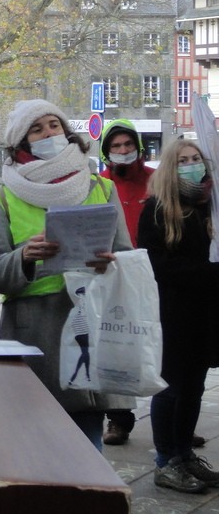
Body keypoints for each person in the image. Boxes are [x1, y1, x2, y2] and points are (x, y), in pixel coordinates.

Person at [0, 98, 131, 450]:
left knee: (86, 449)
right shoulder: (3, 196)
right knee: (33, 449)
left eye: (53, 125)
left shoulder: (101, 187)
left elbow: (127, 256)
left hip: (89, 322)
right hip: (32, 331)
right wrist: (24, 258)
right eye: (37, 129)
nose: (49, 133)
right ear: (22, 143)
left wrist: (109, 263)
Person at [138, 140, 219, 494]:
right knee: (170, 386)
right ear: (171, 167)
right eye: (183, 160)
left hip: (205, 314)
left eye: (196, 158)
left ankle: (184, 453)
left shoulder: (209, 207)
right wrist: (208, 271)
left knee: (194, 386)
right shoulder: (158, 208)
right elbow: (156, 264)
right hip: (172, 313)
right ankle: (166, 460)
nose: (191, 164)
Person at [99, 118, 154, 445]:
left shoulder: (157, 181)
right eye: (116, 146)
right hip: (116, 275)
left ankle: (177, 420)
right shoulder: (99, 184)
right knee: (118, 345)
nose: (122, 151)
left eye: (127, 145)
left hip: (156, 272)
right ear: (106, 152)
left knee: (166, 348)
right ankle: (118, 419)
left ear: (138, 147)